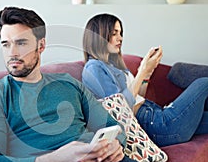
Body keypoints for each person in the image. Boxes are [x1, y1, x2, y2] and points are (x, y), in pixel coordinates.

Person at [0, 7, 177, 162]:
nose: (12, 52)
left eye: (21, 43)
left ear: (41, 45)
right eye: (6, 44)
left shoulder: (68, 83)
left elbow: (112, 126)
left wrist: (116, 145)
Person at [82, 13, 208, 147]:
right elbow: (121, 108)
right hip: (157, 126)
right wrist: (142, 71)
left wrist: (147, 74)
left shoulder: (113, 66)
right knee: (203, 83)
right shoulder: (93, 68)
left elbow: (137, 98)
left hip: (156, 116)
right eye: (114, 33)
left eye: (120, 33)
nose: (120, 38)